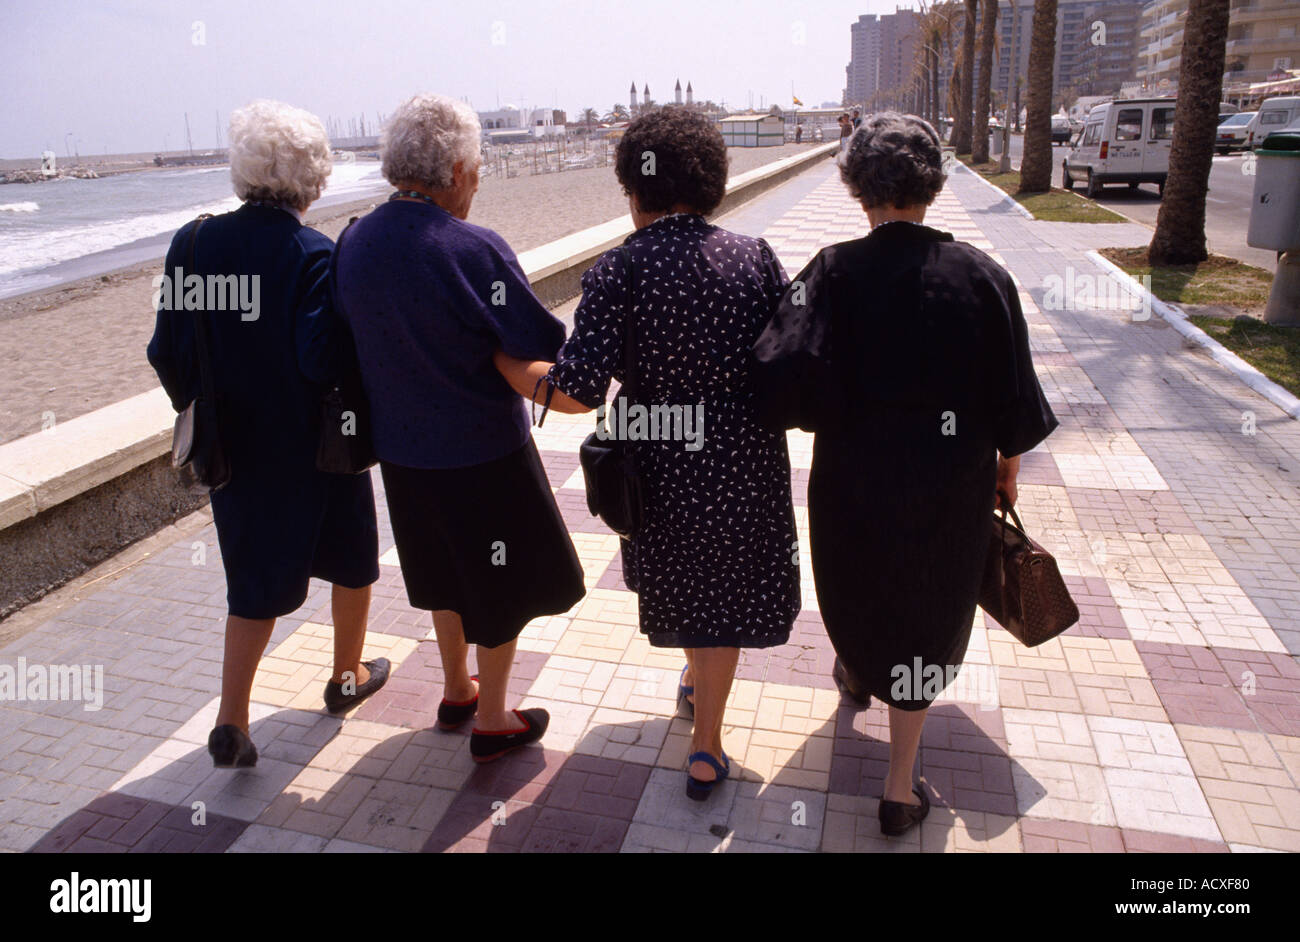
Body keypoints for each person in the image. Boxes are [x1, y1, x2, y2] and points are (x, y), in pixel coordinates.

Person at [754, 112, 1058, 836]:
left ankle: (860, 670)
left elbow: (775, 373)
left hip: (853, 482)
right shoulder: (984, 276)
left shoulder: (832, 271)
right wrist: (1005, 470)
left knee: (859, 588)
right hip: (950, 487)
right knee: (928, 608)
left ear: (859, 188)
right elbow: (1013, 402)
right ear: (933, 183)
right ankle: (899, 783)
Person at [494, 107, 800, 800]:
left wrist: (507, 367)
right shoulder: (753, 256)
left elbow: (574, 392)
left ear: (637, 188)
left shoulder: (620, 269)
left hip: (658, 462)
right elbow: (785, 363)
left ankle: (705, 735)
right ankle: (707, 733)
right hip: (740, 455)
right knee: (721, 592)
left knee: (693, 586)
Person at [333, 93, 584, 764]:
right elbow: (538, 336)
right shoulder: (471, 247)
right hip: (483, 453)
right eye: (474, 167)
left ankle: (455, 687)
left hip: (404, 456)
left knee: (443, 572)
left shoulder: (355, 240)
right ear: (451, 170)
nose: (477, 179)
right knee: (498, 584)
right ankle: (495, 715)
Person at [147, 99, 387, 769]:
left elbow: (166, 351)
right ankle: (346, 678)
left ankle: (232, 716)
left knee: (251, 581)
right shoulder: (313, 252)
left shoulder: (190, 245)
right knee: (352, 555)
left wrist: (207, 408)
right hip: (319, 446)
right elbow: (319, 359)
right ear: (313, 178)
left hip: (235, 449)